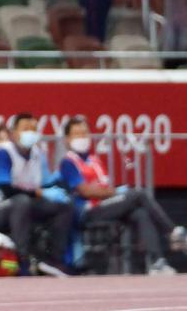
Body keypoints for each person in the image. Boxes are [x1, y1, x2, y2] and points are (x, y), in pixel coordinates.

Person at [58, 116, 186, 275]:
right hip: (87, 211)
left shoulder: (94, 160)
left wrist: (113, 192)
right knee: (138, 195)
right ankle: (173, 232)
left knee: (140, 213)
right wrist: (115, 192)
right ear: (67, 139)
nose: (82, 138)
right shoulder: (68, 162)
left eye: (85, 133)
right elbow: (85, 191)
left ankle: (157, 263)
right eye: (77, 134)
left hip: (105, 206)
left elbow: (104, 187)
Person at [0, 113, 74, 276]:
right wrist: (39, 192)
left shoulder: (37, 154)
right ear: (13, 133)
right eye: (26, 129)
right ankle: (22, 260)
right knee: (22, 202)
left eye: (33, 129)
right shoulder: (3, 152)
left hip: (28, 200)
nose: (30, 132)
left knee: (63, 206)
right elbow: (6, 189)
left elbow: (45, 183)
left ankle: (55, 259)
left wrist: (59, 183)